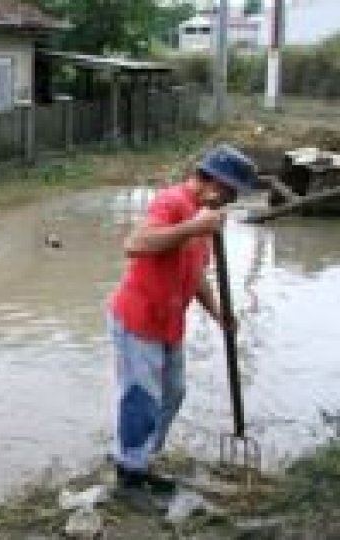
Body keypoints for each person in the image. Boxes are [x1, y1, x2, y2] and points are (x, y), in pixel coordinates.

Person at [107, 145, 259, 500]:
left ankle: (142, 458)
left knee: (173, 393)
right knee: (141, 398)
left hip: (169, 321)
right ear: (215, 184)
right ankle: (129, 475)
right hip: (139, 318)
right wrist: (192, 226)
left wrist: (218, 312)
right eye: (231, 192)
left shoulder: (206, 216)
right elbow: (135, 243)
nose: (231, 200)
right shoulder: (173, 202)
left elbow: (195, 273)